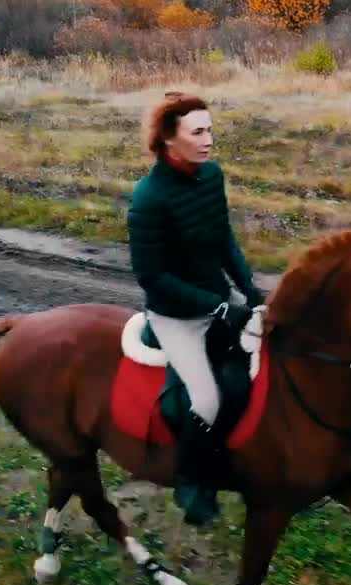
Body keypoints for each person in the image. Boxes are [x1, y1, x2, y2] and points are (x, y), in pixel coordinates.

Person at [127, 91, 265, 526]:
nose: (209, 140)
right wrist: (219, 307)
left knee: (259, 369)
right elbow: (152, 277)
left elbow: (223, 237)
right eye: (198, 132)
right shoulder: (148, 198)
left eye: (210, 130)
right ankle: (190, 481)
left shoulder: (211, 175)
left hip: (218, 300)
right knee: (205, 398)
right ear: (169, 138)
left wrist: (249, 289)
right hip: (175, 317)